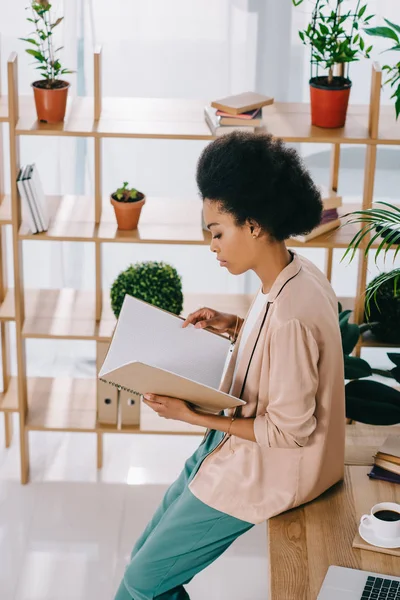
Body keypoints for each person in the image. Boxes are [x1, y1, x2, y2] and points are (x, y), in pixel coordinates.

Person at [114, 132, 345, 600]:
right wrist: (233, 325)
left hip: (266, 469)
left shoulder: (289, 316)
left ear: (254, 225)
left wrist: (191, 415)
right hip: (228, 445)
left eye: (218, 232)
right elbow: (288, 355)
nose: (213, 246)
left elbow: (290, 431)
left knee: (141, 584)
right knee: (141, 561)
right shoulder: (296, 274)